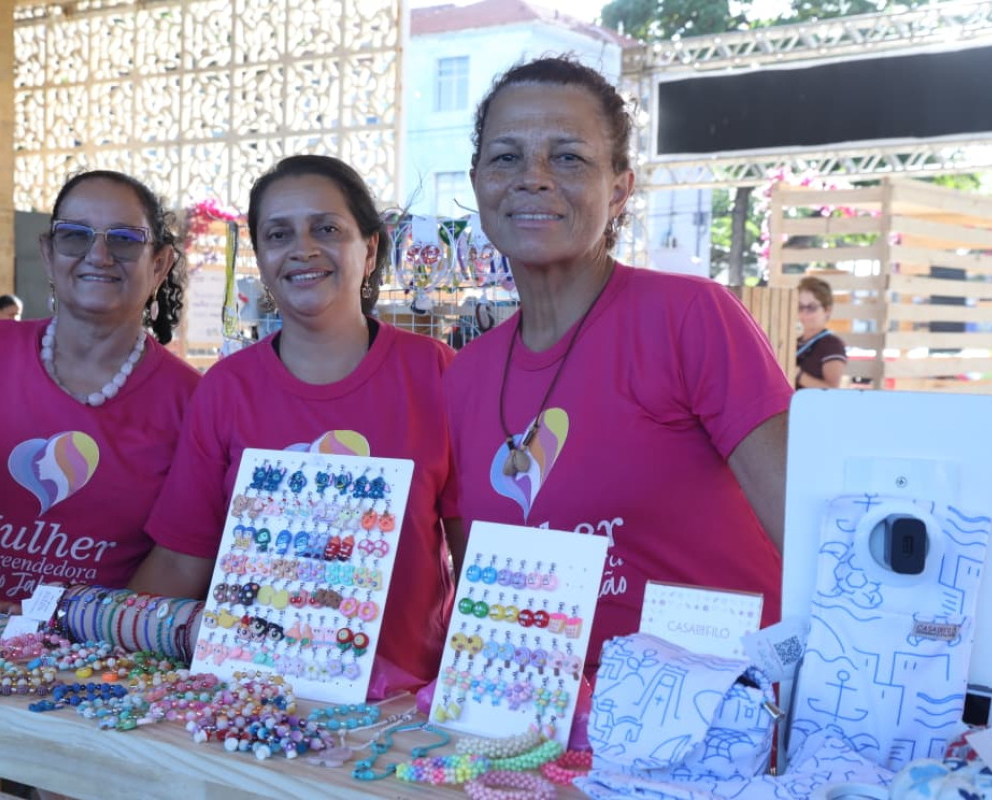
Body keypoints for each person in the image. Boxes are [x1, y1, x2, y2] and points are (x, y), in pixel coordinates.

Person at [443, 56, 793, 677]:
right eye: (506, 157)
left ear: (620, 187)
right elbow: (488, 601)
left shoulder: (690, 318)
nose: (534, 178)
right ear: (478, 184)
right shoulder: (463, 379)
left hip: (724, 729)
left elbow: (809, 537)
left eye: (569, 157)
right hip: (547, 736)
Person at [132, 155, 455, 698]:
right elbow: (182, 560)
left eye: (326, 228)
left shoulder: (438, 373)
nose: (303, 248)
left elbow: (475, 554)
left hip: (404, 712)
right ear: (260, 256)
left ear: (370, 248)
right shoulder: (226, 389)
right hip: (252, 703)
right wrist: (74, 626)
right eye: (279, 234)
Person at [0, 170, 200, 608]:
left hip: (90, 666)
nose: (98, 255)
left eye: (123, 239)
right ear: (48, 254)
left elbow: (182, 559)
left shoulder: (192, 402)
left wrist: (72, 628)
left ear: (159, 264)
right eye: (74, 235)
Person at [795, 275, 847, 389]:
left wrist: (798, 375)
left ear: (827, 310)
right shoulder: (794, 343)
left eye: (812, 307)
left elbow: (831, 390)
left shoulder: (832, 345)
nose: (805, 313)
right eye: (800, 307)